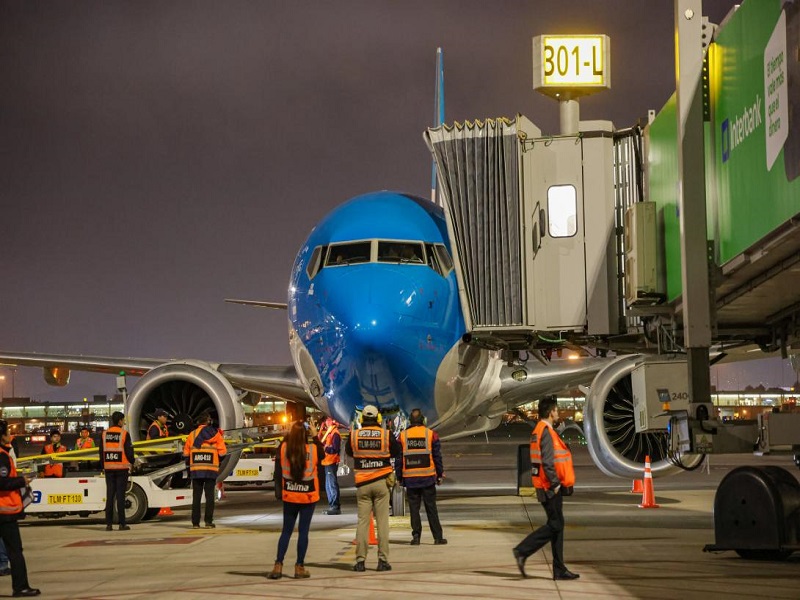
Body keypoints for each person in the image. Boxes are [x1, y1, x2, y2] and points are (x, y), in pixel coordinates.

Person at [513, 396, 579, 581]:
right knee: (556, 524)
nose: (558, 413)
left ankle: (559, 569)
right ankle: (522, 550)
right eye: (557, 411)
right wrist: (556, 484)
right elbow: (548, 462)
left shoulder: (538, 430)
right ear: (551, 412)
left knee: (558, 525)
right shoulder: (546, 432)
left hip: (544, 484)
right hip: (550, 486)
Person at [346, 404, 401, 572]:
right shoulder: (385, 435)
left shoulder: (354, 436)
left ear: (362, 419)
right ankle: (382, 561)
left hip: (363, 484)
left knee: (363, 523)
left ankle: (360, 561)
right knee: (382, 523)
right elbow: (397, 451)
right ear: (378, 419)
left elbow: (349, 452)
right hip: (381, 483)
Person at [268, 420, 324, 580]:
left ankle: (278, 565)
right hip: (308, 496)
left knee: (286, 531)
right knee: (303, 532)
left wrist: (289, 431)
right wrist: (315, 434)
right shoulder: (313, 449)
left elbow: (279, 467)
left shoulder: (285, 448)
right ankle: (299, 567)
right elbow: (323, 455)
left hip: (290, 495)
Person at [0, 419, 41, 596]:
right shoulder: (2, 456)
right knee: (15, 551)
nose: (11, 434)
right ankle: (20, 586)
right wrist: (21, 480)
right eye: (8, 431)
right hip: (5, 511)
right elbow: (2, 482)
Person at [398, 408, 446, 545]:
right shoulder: (431, 434)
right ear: (423, 420)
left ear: (410, 421)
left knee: (414, 509)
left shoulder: (403, 436)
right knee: (431, 508)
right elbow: (437, 457)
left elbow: (399, 459)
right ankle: (437, 537)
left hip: (411, 480)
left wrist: (399, 477)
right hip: (427, 478)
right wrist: (440, 474)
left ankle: (416, 537)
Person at [183, 413, 227, 529]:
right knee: (209, 497)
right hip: (210, 470)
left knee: (196, 498)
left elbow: (186, 455)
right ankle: (208, 522)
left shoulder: (191, 435)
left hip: (196, 471)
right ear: (208, 422)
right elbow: (223, 453)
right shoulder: (216, 434)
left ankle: (195, 523)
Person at [99, 411, 135, 531]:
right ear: (119, 421)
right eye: (123, 420)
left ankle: (108, 524)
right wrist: (132, 462)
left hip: (109, 469)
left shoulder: (104, 434)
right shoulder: (124, 434)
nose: (124, 422)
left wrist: (103, 466)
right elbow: (129, 452)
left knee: (110, 496)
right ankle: (122, 524)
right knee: (120, 496)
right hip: (121, 469)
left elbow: (101, 452)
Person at [318, 417, 341, 515]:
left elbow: (335, 449)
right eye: (326, 420)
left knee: (331, 484)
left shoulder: (335, 433)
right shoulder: (329, 432)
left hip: (331, 461)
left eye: (328, 420)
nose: (326, 422)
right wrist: (320, 430)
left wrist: (326, 449)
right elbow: (321, 442)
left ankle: (335, 506)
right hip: (327, 461)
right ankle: (332, 505)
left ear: (332, 421)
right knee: (328, 485)